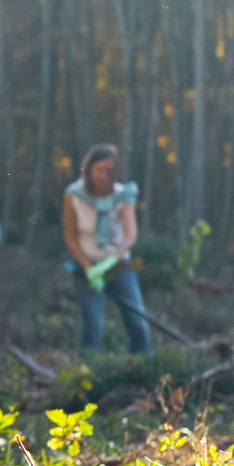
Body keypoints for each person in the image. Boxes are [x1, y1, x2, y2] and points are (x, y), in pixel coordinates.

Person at [62, 143, 151, 354]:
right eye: (99, 170)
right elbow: (71, 237)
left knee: (137, 323)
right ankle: (87, 375)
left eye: (109, 170)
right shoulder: (74, 195)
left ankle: (144, 369)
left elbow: (130, 234)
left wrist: (111, 261)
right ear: (89, 169)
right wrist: (89, 268)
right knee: (92, 327)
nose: (103, 175)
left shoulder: (123, 194)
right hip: (87, 267)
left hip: (118, 265)